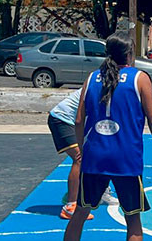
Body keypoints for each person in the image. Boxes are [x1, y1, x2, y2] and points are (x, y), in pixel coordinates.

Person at [64, 31, 152, 241]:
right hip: (126, 158)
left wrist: (83, 149)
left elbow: (78, 120)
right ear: (130, 54)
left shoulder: (92, 77)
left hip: (95, 156)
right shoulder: (139, 78)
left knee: (80, 214)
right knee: (133, 220)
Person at [48, 89, 117, 220]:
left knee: (98, 154)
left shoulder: (109, 84)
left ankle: (83, 192)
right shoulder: (99, 86)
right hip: (62, 119)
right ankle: (70, 207)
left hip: (74, 121)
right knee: (79, 159)